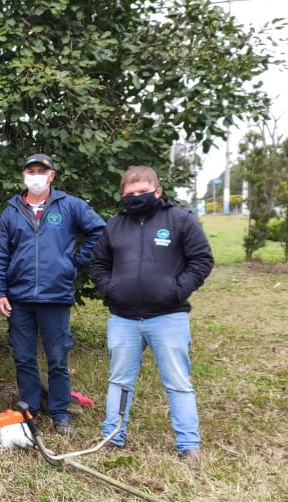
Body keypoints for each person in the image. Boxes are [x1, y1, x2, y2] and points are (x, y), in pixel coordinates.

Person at [89, 166, 214, 467]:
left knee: (178, 382)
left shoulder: (180, 220)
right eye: (129, 195)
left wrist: (175, 291)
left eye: (142, 193)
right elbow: (98, 263)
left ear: (157, 192)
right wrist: (111, 290)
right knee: (119, 381)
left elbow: (202, 260)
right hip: (123, 319)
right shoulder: (115, 225)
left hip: (168, 317)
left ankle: (188, 445)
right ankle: (113, 436)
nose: (136, 198)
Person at [0, 154, 105, 435]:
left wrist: (74, 262)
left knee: (57, 358)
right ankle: (29, 409)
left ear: (52, 175)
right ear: (24, 176)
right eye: (31, 171)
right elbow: (0, 253)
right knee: (24, 357)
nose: (36, 175)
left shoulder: (69, 205)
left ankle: (60, 411)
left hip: (56, 297)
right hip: (20, 297)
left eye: (42, 171)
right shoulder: (12, 210)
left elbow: (99, 230)